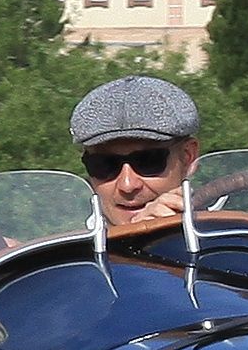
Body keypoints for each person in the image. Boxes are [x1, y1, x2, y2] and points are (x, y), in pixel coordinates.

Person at [71, 73, 204, 250]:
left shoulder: (227, 243)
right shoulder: (66, 261)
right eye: (104, 164)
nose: (127, 185)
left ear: (188, 156)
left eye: (148, 161)